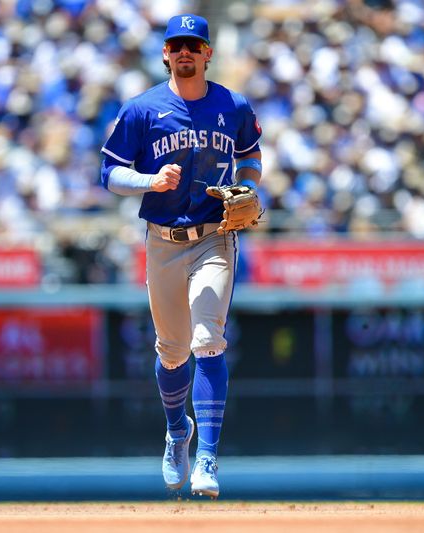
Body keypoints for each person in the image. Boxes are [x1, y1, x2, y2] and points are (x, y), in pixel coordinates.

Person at [100, 14, 263, 498]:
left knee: (207, 339)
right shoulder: (143, 109)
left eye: (195, 44)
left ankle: (208, 458)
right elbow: (109, 173)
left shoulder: (232, 105)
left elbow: (251, 154)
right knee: (171, 352)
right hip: (163, 241)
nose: (186, 51)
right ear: (166, 53)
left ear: (208, 52)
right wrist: (149, 181)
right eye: (178, 45)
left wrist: (249, 186)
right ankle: (178, 433)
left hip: (215, 235)